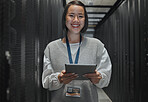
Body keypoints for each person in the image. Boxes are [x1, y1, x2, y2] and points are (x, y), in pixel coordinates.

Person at [42, 0, 112, 102]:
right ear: (64, 18)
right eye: (71, 15)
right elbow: (46, 81)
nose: (76, 20)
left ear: (85, 19)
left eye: (80, 16)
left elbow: (106, 76)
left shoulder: (97, 46)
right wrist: (59, 79)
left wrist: (99, 78)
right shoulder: (51, 48)